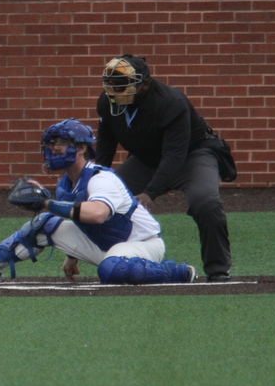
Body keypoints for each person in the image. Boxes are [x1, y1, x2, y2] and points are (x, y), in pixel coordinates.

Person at [0, 118, 197, 285]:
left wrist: (46, 203)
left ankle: (175, 272)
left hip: (141, 245)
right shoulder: (65, 183)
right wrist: (72, 254)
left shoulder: (100, 178)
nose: (54, 148)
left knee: (110, 271)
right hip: (106, 244)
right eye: (51, 143)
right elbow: (75, 216)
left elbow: (97, 214)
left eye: (61, 143)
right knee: (42, 223)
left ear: (80, 148)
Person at [95, 54, 233, 282]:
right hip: (146, 159)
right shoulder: (107, 103)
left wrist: (150, 192)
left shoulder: (171, 102)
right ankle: (123, 259)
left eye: (123, 84)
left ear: (145, 84)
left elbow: (174, 155)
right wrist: (96, 183)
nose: (115, 89)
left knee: (205, 201)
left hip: (192, 155)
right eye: (112, 83)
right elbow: (105, 150)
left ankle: (218, 269)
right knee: (103, 199)